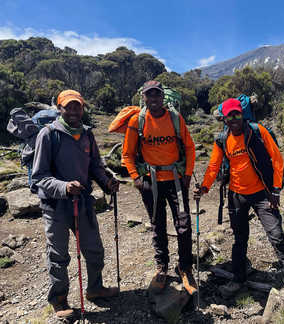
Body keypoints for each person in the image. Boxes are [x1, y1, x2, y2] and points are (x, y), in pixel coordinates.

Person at [194, 98, 284, 297]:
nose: (235, 118)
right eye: (230, 116)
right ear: (225, 119)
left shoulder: (257, 131)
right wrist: (204, 187)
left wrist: (276, 189)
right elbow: (213, 166)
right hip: (236, 195)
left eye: (238, 114)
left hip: (263, 194)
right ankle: (238, 279)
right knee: (239, 239)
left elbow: (277, 159)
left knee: (277, 236)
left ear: (242, 115)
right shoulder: (222, 140)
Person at [31, 90, 120, 320]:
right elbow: (39, 176)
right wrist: (63, 187)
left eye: (77, 107)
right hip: (56, 205)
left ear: (82, 109)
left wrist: (107, 182)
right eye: (68, 107)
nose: (73, 111)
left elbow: (95, 167)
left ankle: (95, 289)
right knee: (58, 255)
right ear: (59, 108)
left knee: (94, 250)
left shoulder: (87, 135)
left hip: (83, 202)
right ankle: (59, 302)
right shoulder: (48, 134)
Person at [122, 80, 197, 295]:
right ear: (143, 97)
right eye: (149, 95)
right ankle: (161, 267)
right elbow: (127, 153)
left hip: (175, 180)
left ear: (162, 97)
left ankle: (185, 267)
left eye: (157, 95)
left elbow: (190, 147)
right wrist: (136, 177)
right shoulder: (138, 120)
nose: (153, 99)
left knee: (183, 224)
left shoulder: (175, 118)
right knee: (158, 225)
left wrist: (188, 174)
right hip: (150, 181)